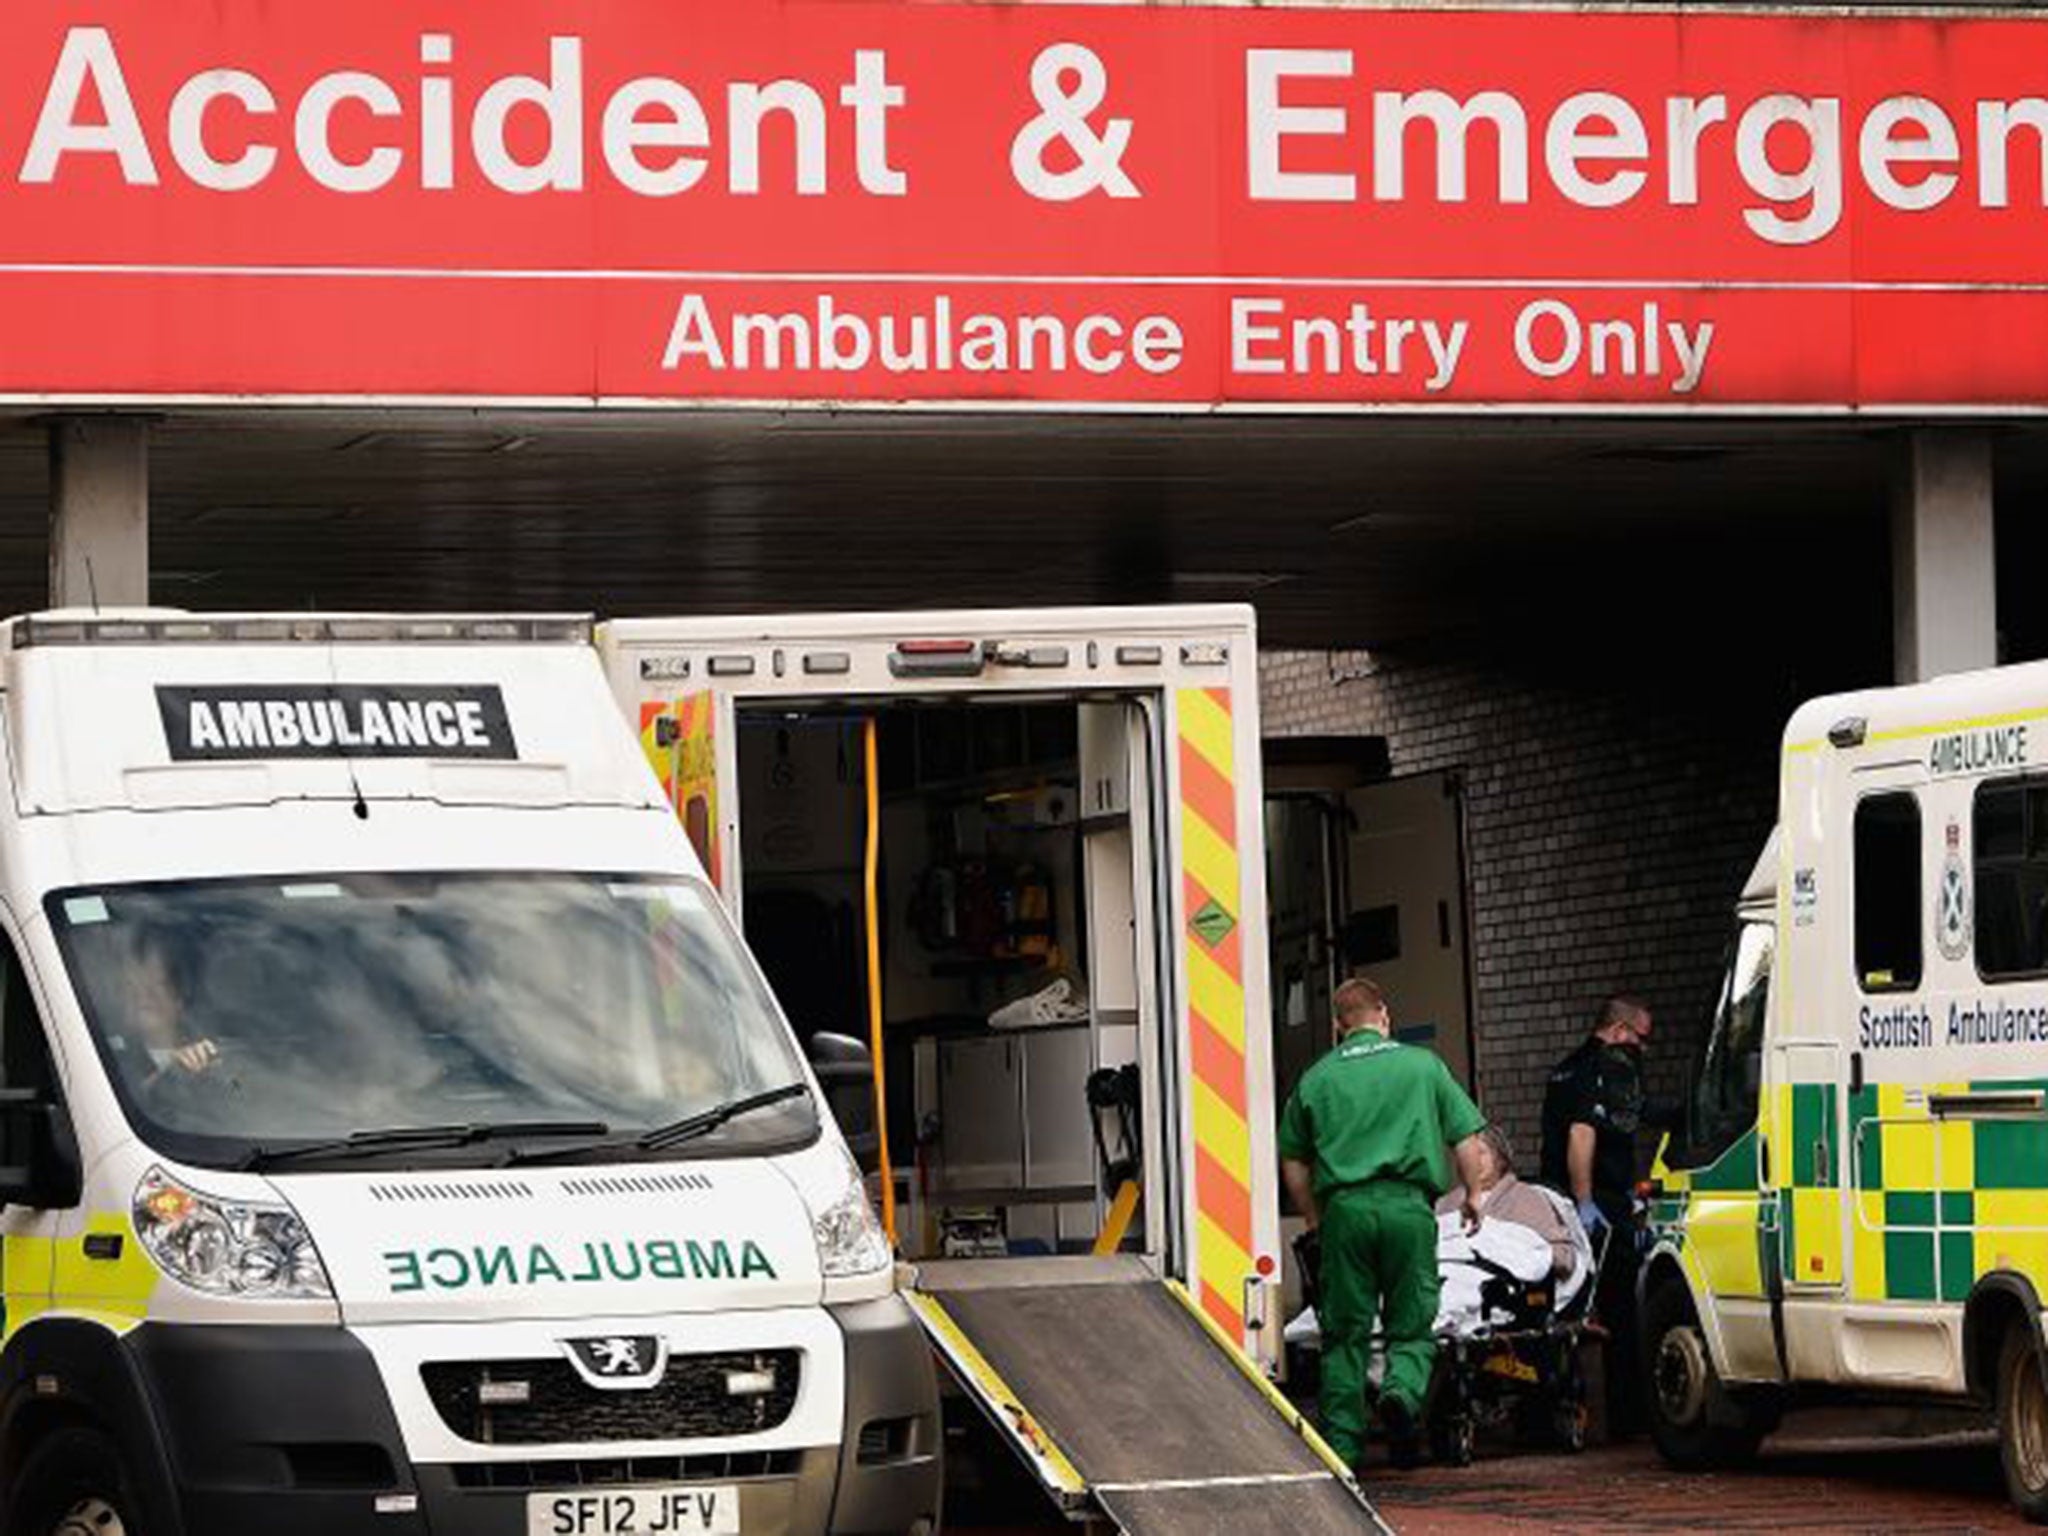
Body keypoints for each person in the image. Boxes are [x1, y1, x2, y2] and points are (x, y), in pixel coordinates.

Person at [1279, 977, 1489, 1472]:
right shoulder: (1422, 1066)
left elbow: (1293, 1158)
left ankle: (1344, 1449)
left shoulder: (1317, 1077)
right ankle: (1400, 1392)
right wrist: (1476, 1194)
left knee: (1344, 1335)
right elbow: (1468, 1138)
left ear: (1338, 1026)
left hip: (1345, 1215)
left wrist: (1313, 1218)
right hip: (1408, 1210)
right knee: (1411, 1323)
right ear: (1385, 1016)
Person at [1538, 994, 1657, 1430]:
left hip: (1555, 1202)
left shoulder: (1565, 1069)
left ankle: (1554, 1410)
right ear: (1620, 1030)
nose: (1643, 1049)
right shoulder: (1606, 1068)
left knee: (1567, 1308)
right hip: (1595, 1206)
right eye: (1641, 1039)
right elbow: (1581, 1136)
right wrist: (1587, 1200)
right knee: (1620, 1311)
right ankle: (1628, 1418)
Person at [1435, 1125, 1578, 1280]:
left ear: (1500, 1158)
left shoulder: (1528, 1199)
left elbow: (1563, 1257)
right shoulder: (1445, 1203)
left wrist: (1507, 1247)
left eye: (1481, 1152)